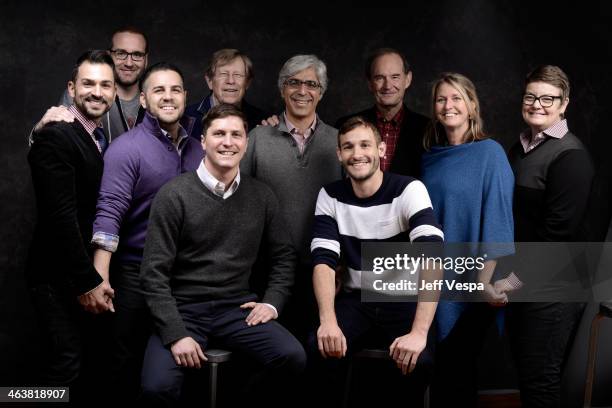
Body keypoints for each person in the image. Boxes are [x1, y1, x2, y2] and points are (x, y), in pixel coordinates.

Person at [140, 104, 306, 406]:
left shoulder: (262, 196)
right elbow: (153, 274)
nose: (227, 142)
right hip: (184, 309)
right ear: (203, 141)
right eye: (219, 134)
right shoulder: (174, 195)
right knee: (156, 387)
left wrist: (272, 302)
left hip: (237, 309)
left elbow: (284, 256)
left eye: (236, 134)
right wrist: (176, 334)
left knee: (292, 358)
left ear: (246, 142)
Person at [309, 116, 444, 407]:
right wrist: (328, 322)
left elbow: (433, 256)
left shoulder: (408, 189)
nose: (357, 154)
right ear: (339, 155)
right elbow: (323, 261)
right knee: (319, 347)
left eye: (365, 145)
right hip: (356, 299)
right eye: (348, 147)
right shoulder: (330, 195)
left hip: (403, 297)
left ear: (381, 150)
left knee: (418, 361)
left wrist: (418, 334)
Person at [90, 62, 203, 402]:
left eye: (175, 90)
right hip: (133, 273)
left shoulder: (200, 150)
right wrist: (99, 276)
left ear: (184, 97)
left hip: (183, 277)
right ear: (143, 100)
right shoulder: (127, 149)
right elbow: (109, 212)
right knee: (125, 361)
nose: (168, 97)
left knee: (177, 363)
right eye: (158, 90)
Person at [419, 72, 515, 407]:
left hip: (477, 281)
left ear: (472, 106)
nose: (449, 106)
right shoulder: (430, 159)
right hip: (435, 281)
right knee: (441, 371)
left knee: (457, 370)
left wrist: (486, 281)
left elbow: (499, 220)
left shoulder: (491, 154)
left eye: (457, 98)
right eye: (441, 99)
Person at [26, 50, 117, 402]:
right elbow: (60, 217)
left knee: (80, 367)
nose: (97, 92)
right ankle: (14, 399)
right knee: (66, 366)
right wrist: (87, 282)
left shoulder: (92, 135)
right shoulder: (57, 133)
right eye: (88, 83)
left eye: (105, 85)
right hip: (55, 276)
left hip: (72, 274)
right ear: (71, 88)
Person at [507, 65, 594, 407]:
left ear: (564, 104)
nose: (537, 104)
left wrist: (510, 282)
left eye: (548, 98)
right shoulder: (520, 149)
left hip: (555, 287)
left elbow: (555, 237)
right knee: (529, 380)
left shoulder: (570, 156)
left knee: (541, 382)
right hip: (524, 281)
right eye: (531, 96)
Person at [241, 54, 342, 341]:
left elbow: (350, 206)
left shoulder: (339, 142)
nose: (302, 91)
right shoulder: (258, 138)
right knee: (270, 353)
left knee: (315, 350)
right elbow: (239, 201)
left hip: (323, 270)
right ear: (282, 88)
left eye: (311, 84)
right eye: (294, 82)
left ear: (320, 93)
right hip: (266, 270)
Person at [32, 27, 149, 143]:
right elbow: (54, 141)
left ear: (146, 59)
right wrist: (39, 130)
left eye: (137, 55)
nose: (129, 63)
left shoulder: (156, 97)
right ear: (109, 55)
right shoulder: (80, 94)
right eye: (121, 53)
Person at [336, 48, 429, 177]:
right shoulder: (345, 126)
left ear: (407, 79)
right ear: (369, 83)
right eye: (379, 78)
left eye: (395, 77)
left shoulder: (428, 130)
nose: (387, 86)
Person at [185, 48, 268, 139]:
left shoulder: (263, 121)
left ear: (247, 83)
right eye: (223, 74)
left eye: (238, 75)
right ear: (210, 81)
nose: (231, 81)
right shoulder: (185, 119)